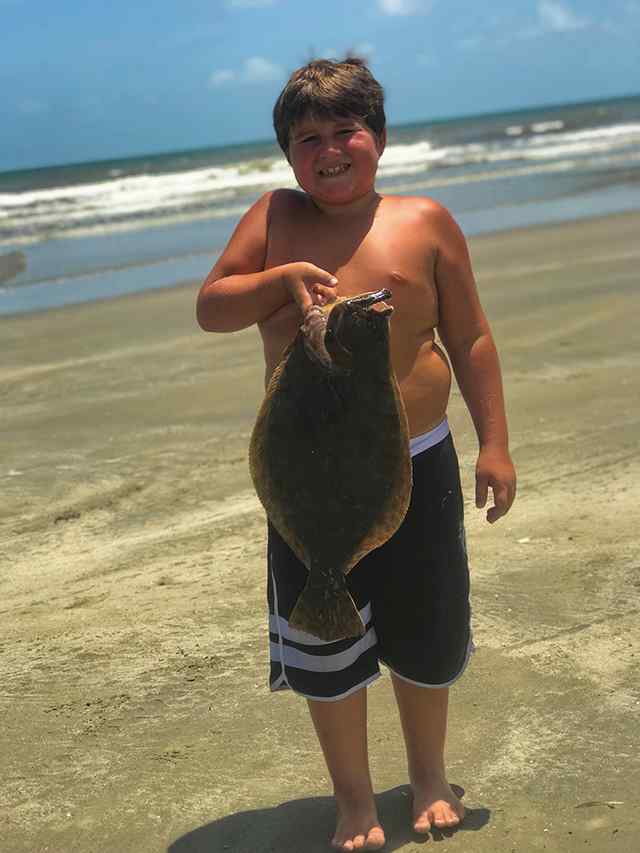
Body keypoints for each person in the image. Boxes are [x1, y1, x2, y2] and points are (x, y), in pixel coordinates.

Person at [196, 57, 516, 852]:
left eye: (347, 131)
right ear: (287, 154)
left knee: (425, 627)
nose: (330, 150)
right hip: (306, 476)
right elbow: (212, 308)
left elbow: (471, 338)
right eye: (309, 139)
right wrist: (279, 281)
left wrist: (496, 444)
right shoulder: (275, 217)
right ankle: (353, 796)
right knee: (327, 643)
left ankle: (429, 775)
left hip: (418, 466)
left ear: (379, 136)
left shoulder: (425, 221)